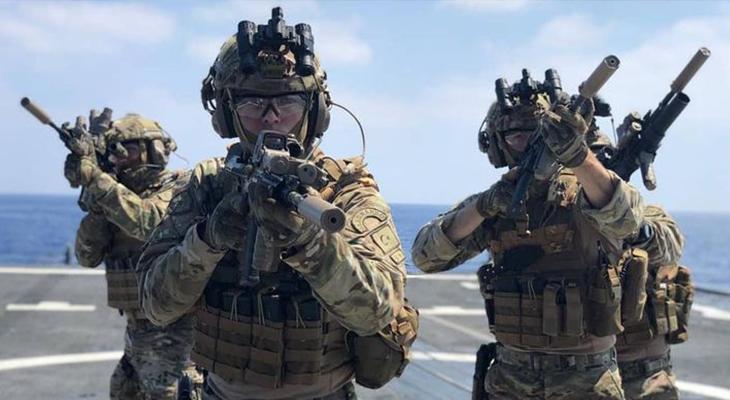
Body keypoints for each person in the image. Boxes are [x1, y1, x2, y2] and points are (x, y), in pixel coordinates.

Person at [136, 8, 416, 400]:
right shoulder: (207, 185)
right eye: (253, 103)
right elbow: (155, 305)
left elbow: (378, 311)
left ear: (315, 110)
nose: (272, 118)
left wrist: (311, 243)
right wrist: (208, 239)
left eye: (289, 102)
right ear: (227, 112)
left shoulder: (346, 190)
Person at [411, 69, 649, 399]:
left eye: (535, 133)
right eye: (515, 136)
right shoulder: (496, 202)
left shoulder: (589, 188)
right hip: (511, 376)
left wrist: (578, 156)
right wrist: (482, 207)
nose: (525, 144)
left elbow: (628, 219)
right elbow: (425, 257)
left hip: (586, 378)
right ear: (497, 144)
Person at [68, 112, 201, 399]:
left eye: (125, 149)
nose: (118, 159)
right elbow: (87, 256)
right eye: (113, 151)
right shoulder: (117, 197)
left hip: (177, 339)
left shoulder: (181, 187)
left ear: (155, 149)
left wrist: (98, 181)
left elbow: (149, 223)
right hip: (137, 337)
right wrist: (96, 206)